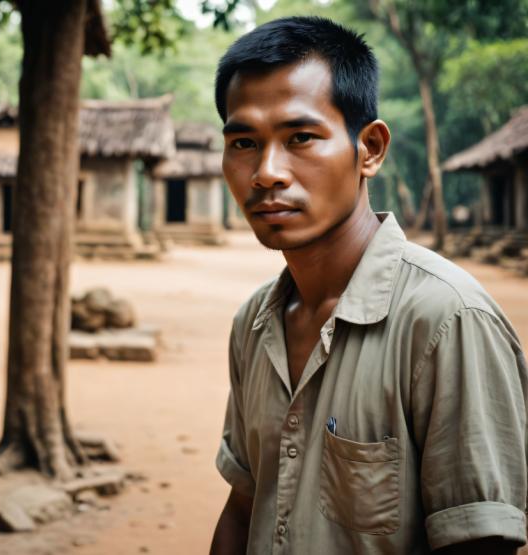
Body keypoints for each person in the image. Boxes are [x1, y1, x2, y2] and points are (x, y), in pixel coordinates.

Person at [210, 16, 528, 555]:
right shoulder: (255, 322)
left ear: (370, 149)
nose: (266, 172)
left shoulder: (446, 320)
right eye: (244, 142)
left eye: (301, 137)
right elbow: (244, 507)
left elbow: (480, 542)